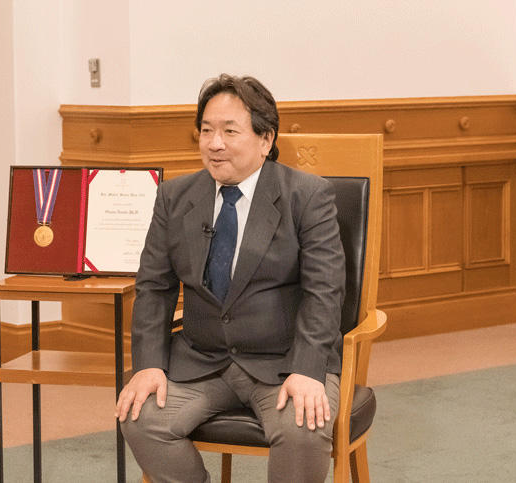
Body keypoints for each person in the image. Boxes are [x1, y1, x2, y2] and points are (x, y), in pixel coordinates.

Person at [115, 73, 345, 483]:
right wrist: (148, 364)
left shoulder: (307, 196)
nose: (214, 143)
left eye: (229, 131)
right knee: (140, 418)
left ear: (265, 139)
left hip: (284, 361)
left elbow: (324, 292)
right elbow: (154, 287)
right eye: (206, 131)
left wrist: (309, 368)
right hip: (201, 360)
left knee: (303, 429)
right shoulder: (175, 197)